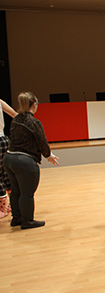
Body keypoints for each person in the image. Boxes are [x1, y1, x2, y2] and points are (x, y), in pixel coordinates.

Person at [4, 92, 59, 229]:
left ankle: (16, 218)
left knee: (16, 190)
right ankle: (27, 220)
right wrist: (48, 156)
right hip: (24, 161)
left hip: (9, 158)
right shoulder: (34, 122)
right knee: (27, 193)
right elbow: (42, 141)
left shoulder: (16, 120)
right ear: (34, 105)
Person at [0, 99, 18, 218]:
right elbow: (14, 114)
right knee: (6, 173)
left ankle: (2, 208)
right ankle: (13, 204)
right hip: (3, 140)